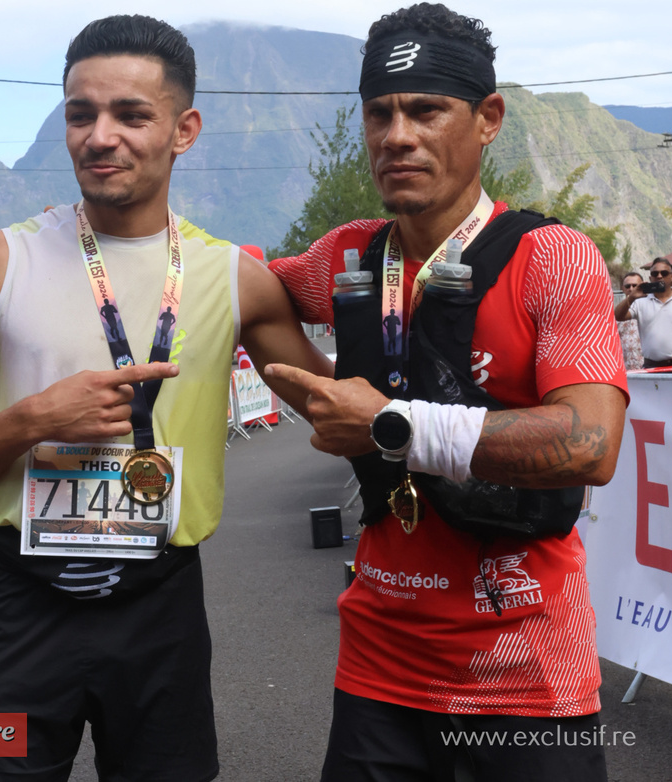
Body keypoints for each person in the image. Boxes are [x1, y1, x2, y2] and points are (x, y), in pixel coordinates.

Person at [0, 14, 329, 782]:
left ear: (183, 128)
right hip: (19, 608)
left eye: (131, 115)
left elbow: (344, 413)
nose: (101, 137)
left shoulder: (236, 277)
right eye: (80, 114)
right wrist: (32, 420)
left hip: (158, 607)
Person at [265, 5, 628, 780]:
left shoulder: (552, 256)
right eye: (379, 113)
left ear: (488, 118)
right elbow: (249, 291)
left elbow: (591, 444)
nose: (397, 135)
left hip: (526, 672)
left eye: (426, 109)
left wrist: (391, 425)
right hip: (378, 667)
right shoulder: (348, 255)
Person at [614, 256, 672, 368]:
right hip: (651, 366)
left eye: (664, 273)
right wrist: (631, 297)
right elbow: (618, 316)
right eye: (655, 274)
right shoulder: (640, 301)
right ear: (650, 278)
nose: (659, 276)